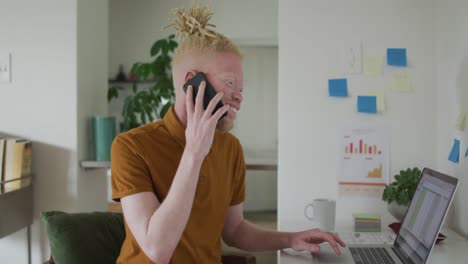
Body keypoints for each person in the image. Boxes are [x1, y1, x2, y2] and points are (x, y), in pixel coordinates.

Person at [111, 3, 346, 264]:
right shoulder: (130, 146)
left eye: (241, 88)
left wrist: (290, 239)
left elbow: (234, 231)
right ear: (192, 81)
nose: (239, 96)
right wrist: (193, 152)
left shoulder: (230, 148)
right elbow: (157, 249)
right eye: (230, 82)